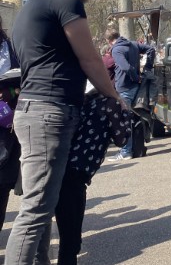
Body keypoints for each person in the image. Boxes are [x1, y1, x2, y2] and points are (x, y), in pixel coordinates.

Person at [5, 0, 125, 265]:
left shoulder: (28, 8)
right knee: (36, 211)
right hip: (50, 110)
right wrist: (115, 97)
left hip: (34, 110)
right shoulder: (64, 0)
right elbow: (90, 59)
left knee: (39, 206)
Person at [50, 92, 131, 265]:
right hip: (75, 175)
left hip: (67, 172)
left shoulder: (86, 101)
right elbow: (122, 138)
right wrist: (126, 111)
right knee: (70, 243)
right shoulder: (110, 104)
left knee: (70, 239)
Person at [105, 29, 155, 161]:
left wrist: (135, 76)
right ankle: (134, 148)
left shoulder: (116, 50)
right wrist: (147, 68)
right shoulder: (133, 44)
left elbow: (125, 67)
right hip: (135, 87)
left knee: (124, 120)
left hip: (124, 87)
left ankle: (126, 151)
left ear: (108, 41)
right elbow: (151, 49)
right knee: (133, 118)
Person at [0, 15, 20, 231]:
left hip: (7, 124)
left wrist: (12, 91)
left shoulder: (10, 48)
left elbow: (25, 79)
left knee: (4, 182)